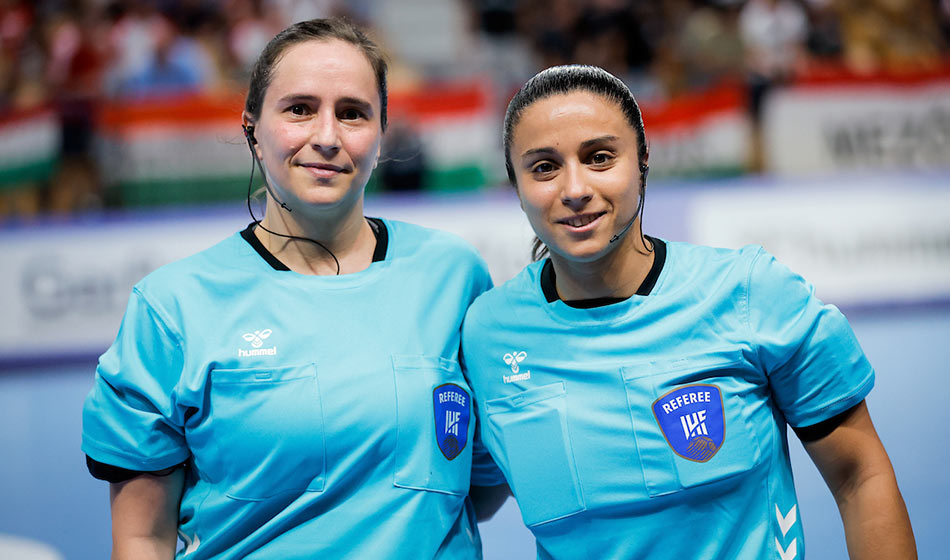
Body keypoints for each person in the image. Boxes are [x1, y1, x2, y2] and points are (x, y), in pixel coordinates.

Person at [461, 65, 916, 559]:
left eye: (599, 157)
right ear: (515, 184)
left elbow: (859, 476)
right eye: (544, 167)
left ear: (643, 162)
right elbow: (459, 499)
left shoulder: (750, 293)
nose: (574, 188)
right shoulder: (487, 335)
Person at [82, 18, 493, 559]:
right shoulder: (172, 309)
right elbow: (142, 538)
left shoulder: (453, 276)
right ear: (253, 127)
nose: (326, 137)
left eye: (352, 113)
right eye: (299, 109)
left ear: (381, 133)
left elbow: (478, 483)